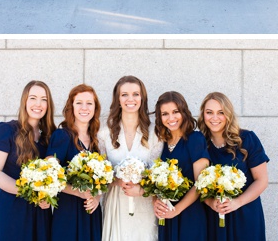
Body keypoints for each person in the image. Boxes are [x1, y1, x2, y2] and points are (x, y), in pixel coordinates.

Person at [0, 80, 55, 240]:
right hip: (11, 210)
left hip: (40, 214)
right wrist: (32, 194)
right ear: (24, 100)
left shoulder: (49, 137)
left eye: (44, 99)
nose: (38, 104)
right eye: (33, 98)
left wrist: (48, 196)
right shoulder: (6, 130)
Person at [98, 75, 162, 241]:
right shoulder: (105, 131)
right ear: (118, 99)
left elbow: (158, 175)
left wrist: (141, 188)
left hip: (144, 204)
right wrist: (117, 180)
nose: (130, 99)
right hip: (116, 203)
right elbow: (99, 173)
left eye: (135, 94)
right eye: (124, 94)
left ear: (142, 98)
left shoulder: (154, 132)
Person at [198, 92, 269, 240]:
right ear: (203, 115)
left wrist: (237, 203)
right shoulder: (200, 144)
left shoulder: (247, 139)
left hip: (245, 215)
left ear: (228, 114)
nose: (214, 118)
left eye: (221, 112)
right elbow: (197, 183)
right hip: (214, 216)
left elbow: (261, 180)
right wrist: (211, 203)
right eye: (209, 112)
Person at [47, 84, 103, 241]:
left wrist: (96, 199)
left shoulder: (97, 139)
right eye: (79, 102)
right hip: (68, 212)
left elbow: (102, 181)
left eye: (89, 103)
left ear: (95, 107)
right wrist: (78, 192)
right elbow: (49, 176)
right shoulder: (62, 135)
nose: (84, 107)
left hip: (92, 212)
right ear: (71, 106)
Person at [152, 91, 209, 241]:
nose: (171, 118)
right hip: (167, 214)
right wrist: (156, 202)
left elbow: (200, 184)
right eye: (165, 114)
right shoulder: (161, 143)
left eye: (175, 112)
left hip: (190, 214)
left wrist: (176, 210)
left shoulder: (195, 139)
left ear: (183, 112)